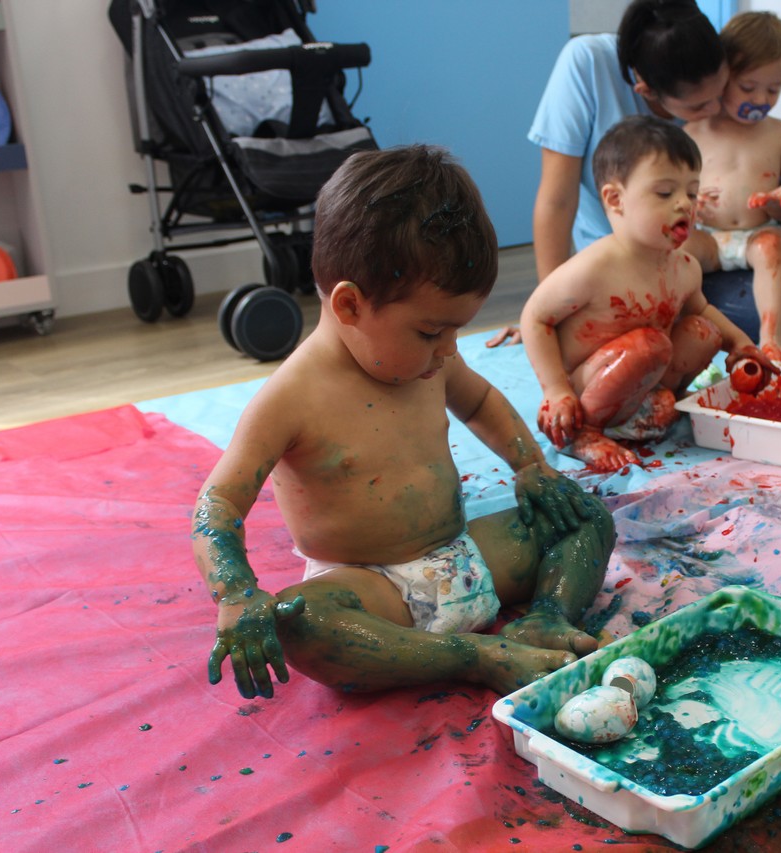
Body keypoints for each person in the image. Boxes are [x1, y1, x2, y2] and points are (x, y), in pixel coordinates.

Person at [192, 145, 616, 700]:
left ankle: (547, 619)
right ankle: (474, 655)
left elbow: (481, 402)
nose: (449, 349)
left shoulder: (429, 361)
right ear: (349, 306)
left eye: (456, 330)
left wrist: (530, 466)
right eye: (431, 332)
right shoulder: (290, 398)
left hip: (466, 557)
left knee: (583, 517)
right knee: (302, 622)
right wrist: (235, 592)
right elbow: (218, 504)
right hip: (374, 591)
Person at [508, 0, 781, 351]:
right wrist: (550, 308)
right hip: (664, 254)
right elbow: (557, 199)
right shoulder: (587, 67)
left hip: (754, 232)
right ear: (647, 91)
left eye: (724, 90)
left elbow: (778, 186)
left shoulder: (701, 58)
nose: (720, 109)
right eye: (700, 105)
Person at [519, 116, 771, 473]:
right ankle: (585, 434)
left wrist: (741, 343)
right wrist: (556, 390)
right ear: (615, 199)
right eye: (665, 193)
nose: (684, 204)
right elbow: (535, 318)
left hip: (644, 384)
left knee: (704, 332)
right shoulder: (593, 268)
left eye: (692, 192)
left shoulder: (684, 267)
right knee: (651, 345)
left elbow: (702, 310)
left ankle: (665, 403)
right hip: (586, 391)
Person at [685, 10, 781, 365]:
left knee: (773, 248)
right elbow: (677, 188)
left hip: (758, 234)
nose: (760, 99)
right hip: (708, 237)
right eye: (748, 87)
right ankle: (673, 322)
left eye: (774, 89)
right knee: (675, 249)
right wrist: (692, 205)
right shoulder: (694, 131)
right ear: (723, 76)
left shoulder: (779, 132)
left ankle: (772, 340)